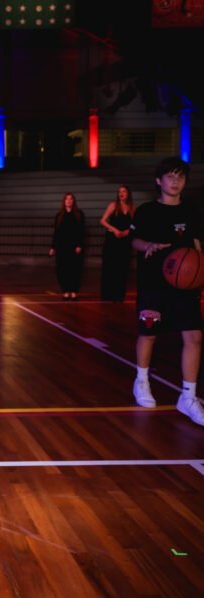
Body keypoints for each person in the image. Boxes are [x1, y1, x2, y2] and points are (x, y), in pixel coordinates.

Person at [131, 157, 204, 425]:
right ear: (158, 181)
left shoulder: (192, 211)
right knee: (149, 334)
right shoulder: (147, 211)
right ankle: (141, 381)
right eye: (171, 176)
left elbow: (197, 245)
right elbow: (134, 241)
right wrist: (148, 245)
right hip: (153, 282)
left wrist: (200, 268)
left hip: (185, 284)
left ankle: (188, 397)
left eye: (180, 177)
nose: (176, 181)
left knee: (194, 337)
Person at [99, 184, 135, 301]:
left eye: (123, 191)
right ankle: (107, 295)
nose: (121, 193)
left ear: (128, 193)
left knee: (122, 267)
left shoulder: (132, 208)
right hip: (112, 240)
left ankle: (119, 294)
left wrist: (127, 232)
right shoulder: (113, 205)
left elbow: (135, 225)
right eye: (119, 192)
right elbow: (103, 221)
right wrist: (115, 230)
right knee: (110, 267)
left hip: (125, 241)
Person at [49, 192, 85, 299]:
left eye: (70, 199)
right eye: (67, 199)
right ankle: (65, 290)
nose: (68, 201)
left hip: (74, 247)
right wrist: (53, 247)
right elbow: (56, 232)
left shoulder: (79, 214)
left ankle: (74, 291)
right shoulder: (59, 215)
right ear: (64, 202)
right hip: (62, 247)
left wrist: (79, 245)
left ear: (73, 201)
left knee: (74, 269)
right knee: (62, 269)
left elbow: (81, 231)